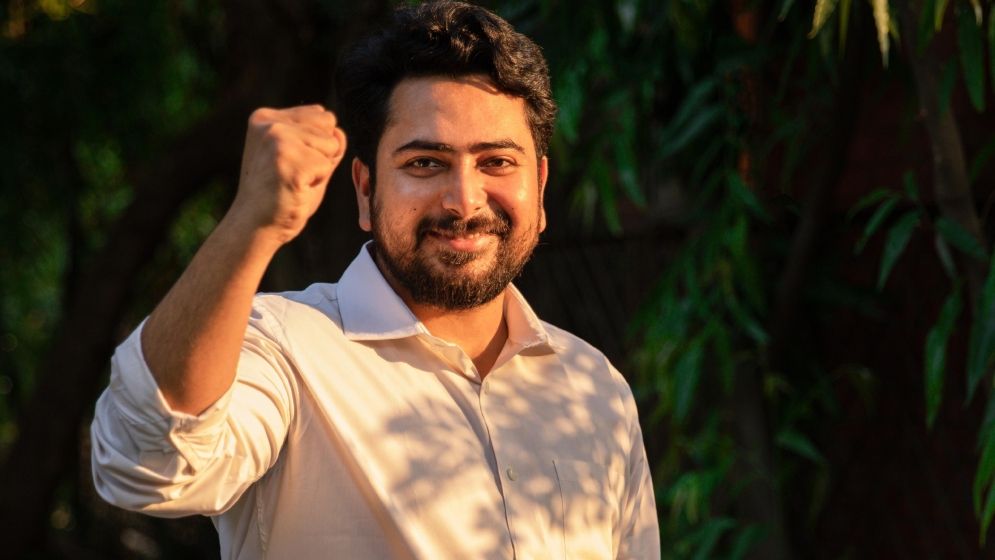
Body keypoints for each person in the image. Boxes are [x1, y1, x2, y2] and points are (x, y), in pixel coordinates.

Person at [90, 2, 660, 558]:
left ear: (539, 187)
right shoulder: (281, 347)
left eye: (496, 162)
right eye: (425, 163)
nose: (464, 200)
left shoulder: (594, 387)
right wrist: (250, 223)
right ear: (365, 190)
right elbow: (148, 462)